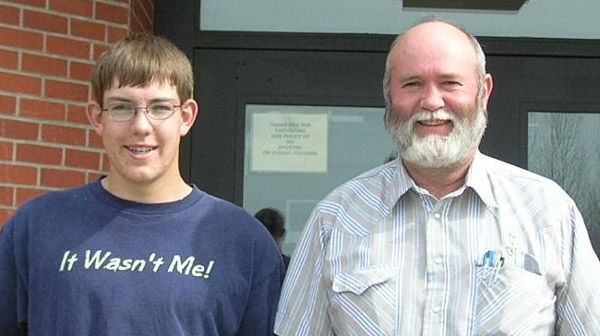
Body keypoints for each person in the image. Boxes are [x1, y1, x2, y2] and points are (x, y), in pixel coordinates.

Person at [275, 16, 600, 335]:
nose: (431, 101)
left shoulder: (547, 212)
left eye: (450, 83)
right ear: (388, 94)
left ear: (483, 92)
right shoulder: (336, 219)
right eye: (412, 84)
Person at [0, 33, 285, 335]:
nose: (140, 126)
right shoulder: (37, 226)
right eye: (122, 107)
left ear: (186, 117)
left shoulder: (244, 241)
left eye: (160, 108)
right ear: (97, 117)